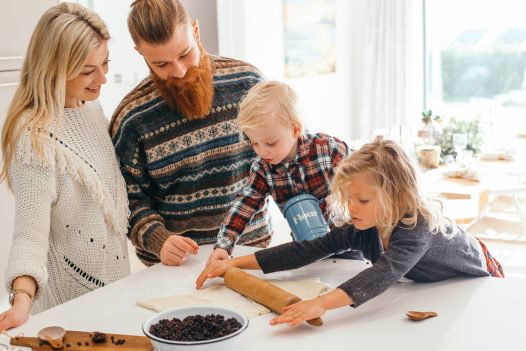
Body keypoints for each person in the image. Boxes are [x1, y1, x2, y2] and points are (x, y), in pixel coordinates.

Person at [196, 138, 504, 327]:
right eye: (350, 199)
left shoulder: (416, 226)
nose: (353, 208)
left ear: (396, 197)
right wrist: (233, 264)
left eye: (363, 200)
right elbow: (307, 249)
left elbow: (384, 273)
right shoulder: (362, 227)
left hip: (475, 275)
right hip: (437, 287)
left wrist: (319, 304)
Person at [110, 0, 272, 267]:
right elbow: (127, 201)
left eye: (185, 54)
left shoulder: (249, 83)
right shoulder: (132, 118)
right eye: (161, 64)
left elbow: (283, 160)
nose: (179, 71)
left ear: (196, 30)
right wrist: (158, 240)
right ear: (140, 52)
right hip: (175, 267)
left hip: (249, 253)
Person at [0, 3, 130, 330]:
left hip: (118, 290)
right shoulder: (35, 138)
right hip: (72, 312)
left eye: (105, 63)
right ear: (55, 68)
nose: (102, 77)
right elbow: (29, 237)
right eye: (88, 70)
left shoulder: (92, 109)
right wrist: (20, 303)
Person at [207, 80, 360, 264]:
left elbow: (365, 177)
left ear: (295, 129)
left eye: (270, 143)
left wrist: (342, 194)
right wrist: (224, 245)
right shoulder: (263, 168)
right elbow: (245, 205)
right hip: (306, 247)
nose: (262, 151)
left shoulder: (328, 149)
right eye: (254, 143)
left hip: (349, 242)